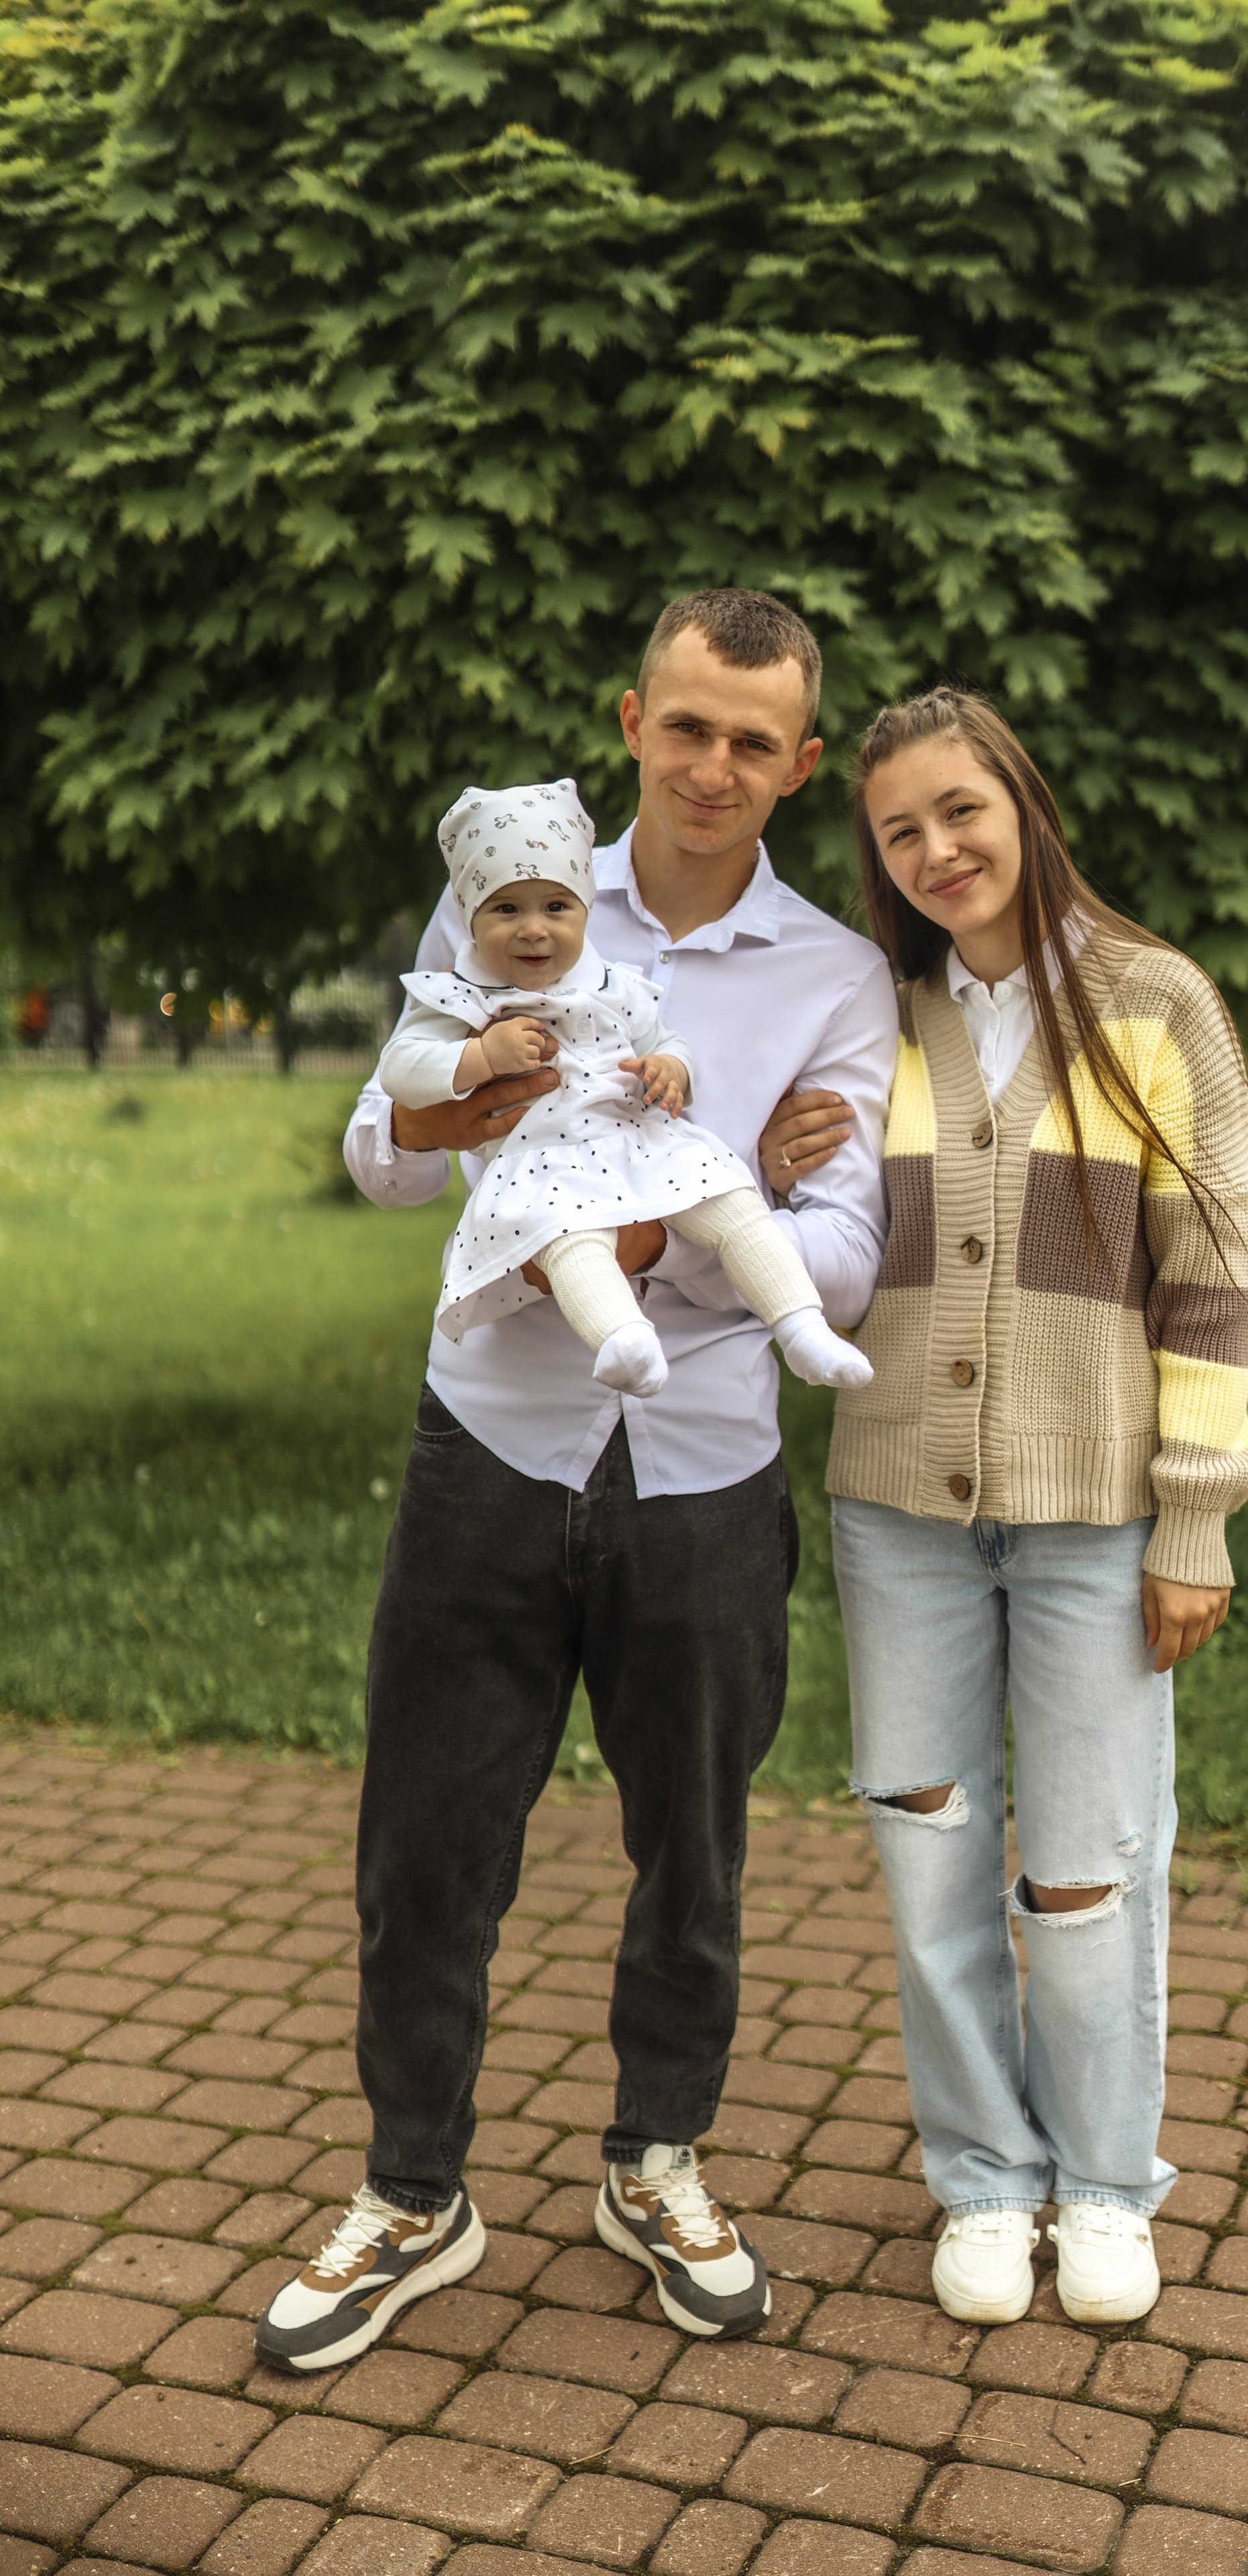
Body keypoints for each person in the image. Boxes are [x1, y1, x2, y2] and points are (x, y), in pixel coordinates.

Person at [256, 590, 896, 2371]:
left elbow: (842, 1251)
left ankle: (657, 2159)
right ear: (633, 720)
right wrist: (469, 1109)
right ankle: (411, 2194)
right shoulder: (509, 887)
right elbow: (384, 1159)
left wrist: (707, 1219)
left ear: (800, 762)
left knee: (690, 1846)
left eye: (754, 740)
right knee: (428, 1841)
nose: (713, 766)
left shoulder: (839, 974)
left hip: (705, 1462)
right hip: (491, 1447)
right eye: (686, 725)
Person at [826, 687, 1248, 2328]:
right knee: (924, 1846)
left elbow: (1215, 1275)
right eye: (898, 829)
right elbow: (808, 1225)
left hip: (1094, 1510)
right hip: (895, 1507)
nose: (936, 849)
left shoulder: (1153, 1000)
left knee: (1084, 1868)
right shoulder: (862, 1010)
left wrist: (1195, 1510)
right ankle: (979, 2174)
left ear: (1019, 798)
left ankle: (1099, 2176)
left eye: (960, 809)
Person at [379, 775, 870, 1397]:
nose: (534, 929)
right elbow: (400, 1066)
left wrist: (673, 1070)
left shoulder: (611, 983)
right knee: (570, 1237)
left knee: (734, 1201)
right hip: (543, 1162)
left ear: (584, 910)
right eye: (507, 908)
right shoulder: (463, 993)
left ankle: (802, 1327)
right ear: (471, 918)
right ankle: (622, 1338)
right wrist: (479, 1056)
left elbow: (663, 1038)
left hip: (639, 1140)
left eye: (556, 907)